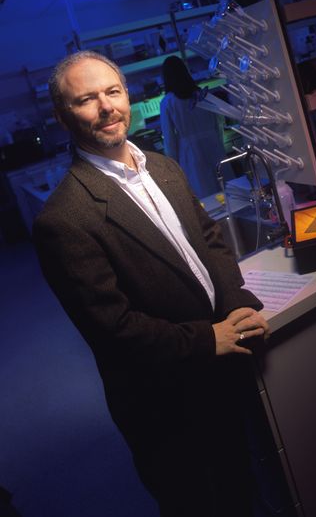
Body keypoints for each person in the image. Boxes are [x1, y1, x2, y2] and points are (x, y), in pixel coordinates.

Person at [33, 51, 270, 517]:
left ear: (127, 96)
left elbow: (210, 242)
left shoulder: (162, 167)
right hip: (165, 401)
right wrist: (207, 339)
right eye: (86, 99)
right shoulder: (63, 219)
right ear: (64, 117)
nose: (105, 107)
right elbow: (113, 328)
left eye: (112, 91)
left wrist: (237, 300)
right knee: (196, 502)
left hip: (222, 372)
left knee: (242, 485)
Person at [160, 55, 227, 197]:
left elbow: (169, 140)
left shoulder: (168, 102)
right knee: (227, 191)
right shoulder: (202, 94)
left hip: (190, 153)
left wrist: (173, 166)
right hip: (214, 146)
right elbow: (218, 124)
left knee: (206, 196)